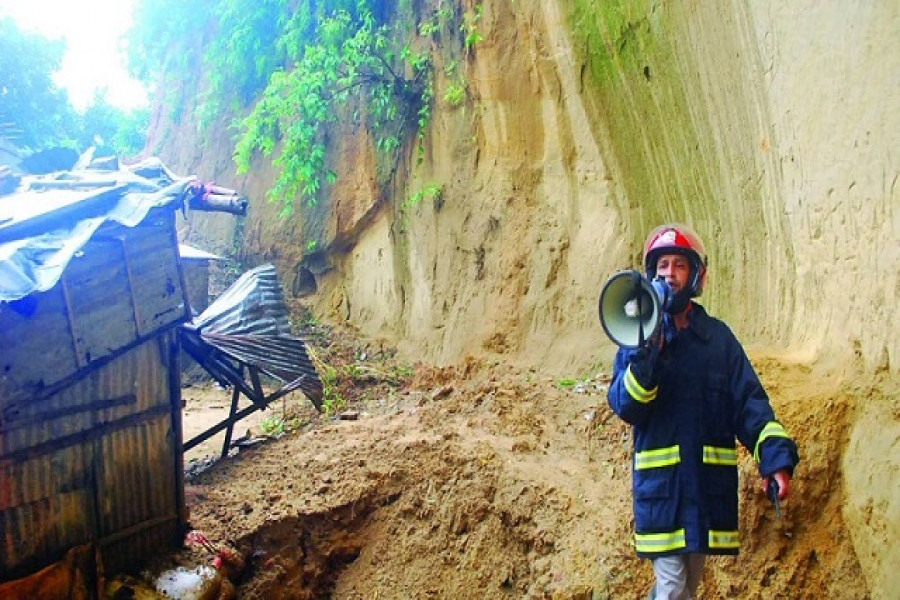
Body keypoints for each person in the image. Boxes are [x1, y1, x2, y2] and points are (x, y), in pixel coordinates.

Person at [606, 223, 800, 600]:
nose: (669, 275)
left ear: (697, 276)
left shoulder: (718, 341)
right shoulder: (638, 337)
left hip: (704, 492)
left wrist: (774, 458)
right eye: (662, 266)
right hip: (662, 495)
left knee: (684, 588)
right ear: (649, 276)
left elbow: (750, 404)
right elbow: (624, 404)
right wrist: (647, 359)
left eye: (679, 266)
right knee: (674, 588)